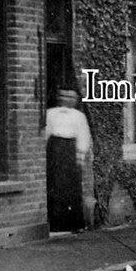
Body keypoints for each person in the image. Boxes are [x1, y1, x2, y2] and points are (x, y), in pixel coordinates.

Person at [44, 87, 92, 232]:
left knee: (71, 187)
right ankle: (55, 224)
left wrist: (80, 157)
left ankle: (73, 224)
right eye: (64, 96)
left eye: (72, 97)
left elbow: (83, 136)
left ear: (76, 100)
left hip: (70, 151)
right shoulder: (50, 113)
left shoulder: (79, 116)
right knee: (55, 184)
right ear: (59, 97)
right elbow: (45, 134)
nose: (68, 100)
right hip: (55, 150)